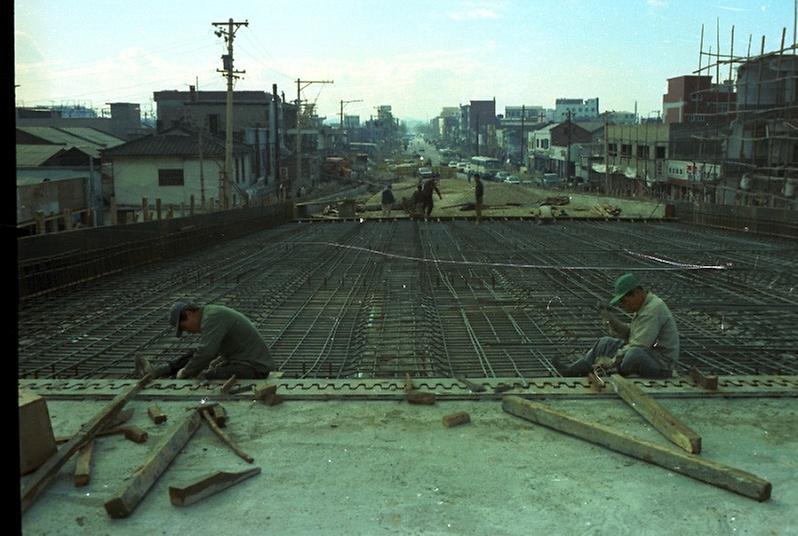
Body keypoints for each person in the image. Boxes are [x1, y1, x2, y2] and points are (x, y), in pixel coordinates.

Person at [554, 273, 679, 379]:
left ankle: (612, 371)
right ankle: (573, 370)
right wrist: (612, 321)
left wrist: (612, 362)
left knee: (632, 355)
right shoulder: (645, 306)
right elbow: (632, 332)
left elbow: (639, 344)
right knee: (605, 342)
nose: (624, 306)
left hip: (660, 365)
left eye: (624, 301)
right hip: (648, 354)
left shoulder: (652, 310)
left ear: (637, 293)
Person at [135, 302, 274, 379]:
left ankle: (173, 373)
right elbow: (211, 351)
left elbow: (207, 352)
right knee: (195, 355)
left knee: (203, 376)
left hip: (254, 368)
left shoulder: (212, 318)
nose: (187, 332)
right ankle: (158, 372)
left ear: (189, 314)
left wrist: (187, 372)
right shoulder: (210, 313)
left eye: (184, 327)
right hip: (244, 362)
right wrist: (219, 359)